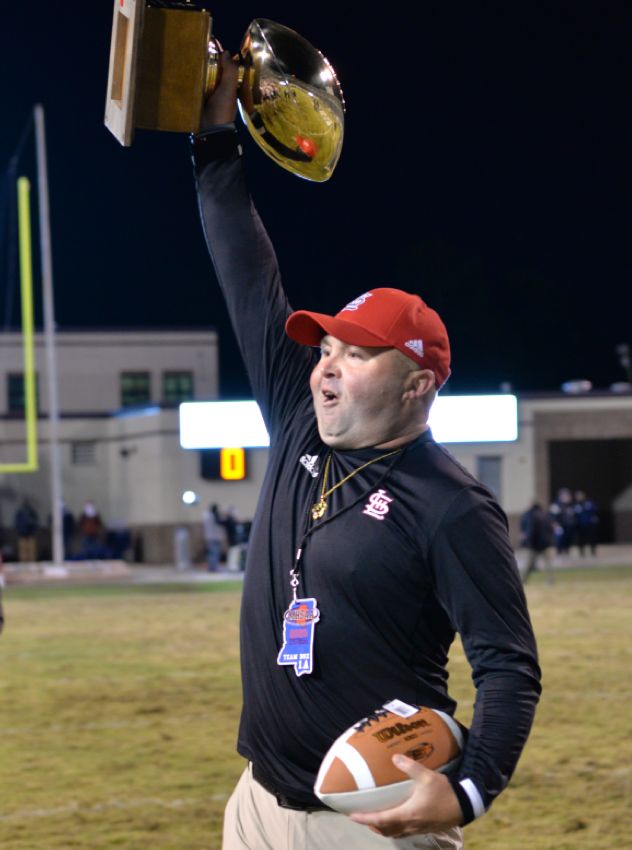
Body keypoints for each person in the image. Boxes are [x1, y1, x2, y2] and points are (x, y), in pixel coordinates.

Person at [192, 54, 541, 849]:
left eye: (355, 354)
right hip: (258, 802)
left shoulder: (451, 506)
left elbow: (508, 666)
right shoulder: (298, 421)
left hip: (373, 823)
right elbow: (247, 273)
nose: (326, 368)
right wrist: (215, 138)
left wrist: (469, 792)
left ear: (416, 385)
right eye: (325, 350)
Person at [520, 502, 556, 584]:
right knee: (549, 564)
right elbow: (552, 529)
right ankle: (551, 581)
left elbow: (532, 531)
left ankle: (523, 581)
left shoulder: (532, 517)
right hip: (548, 543)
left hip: (535, 545)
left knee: (528, 564)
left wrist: (529, 543)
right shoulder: (546, 516)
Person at [14, 498, 39, 562]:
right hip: (22, 534)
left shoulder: (32, 512)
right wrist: (19, 530)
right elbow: (17, 522)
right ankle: (23, 562)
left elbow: (36, 522)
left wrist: (34, 530)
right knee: (23, 550)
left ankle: (32, 562)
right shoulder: (20, 512)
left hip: (31, 534)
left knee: (31, 550)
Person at [203, 503, 226, 572]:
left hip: (210, 537)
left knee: (211, 553)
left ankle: (211, 567)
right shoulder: (213, 516)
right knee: (214, 553)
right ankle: (214, 567)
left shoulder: (207, 516)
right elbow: (219, 523)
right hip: (214, 537)